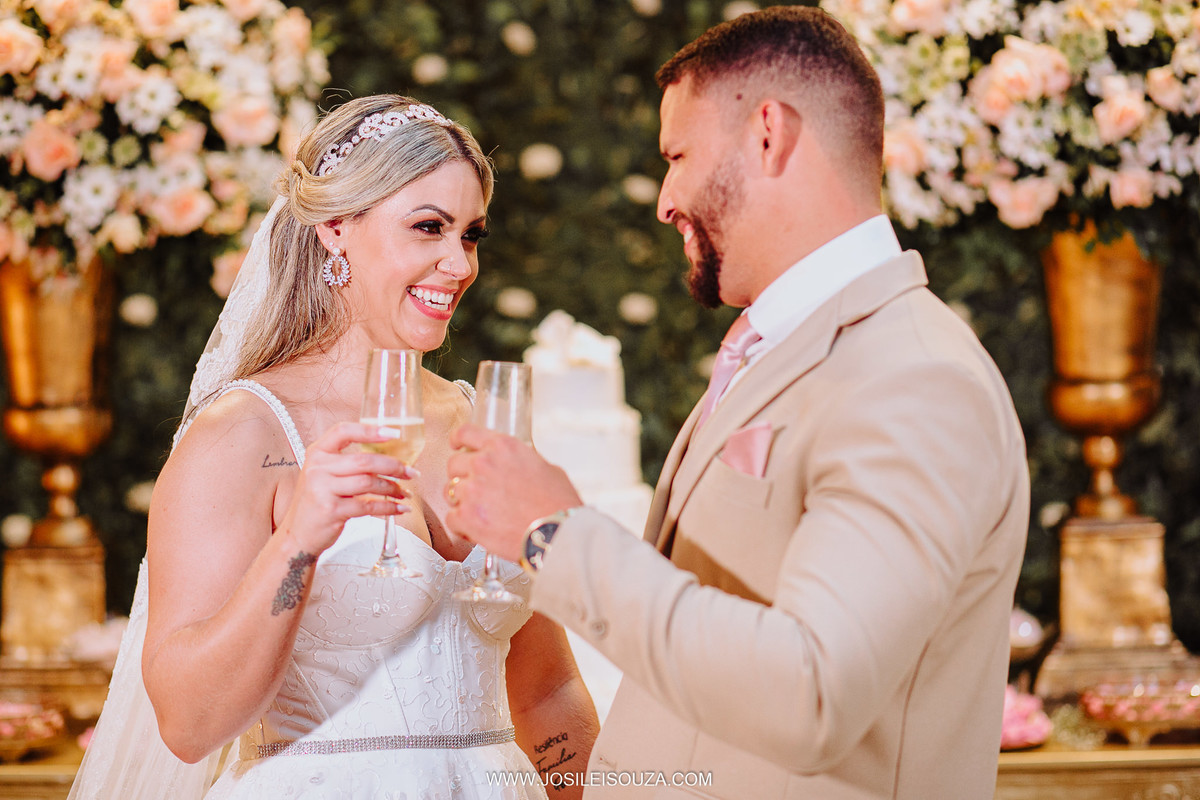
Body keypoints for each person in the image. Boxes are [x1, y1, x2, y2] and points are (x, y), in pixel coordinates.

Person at [444, 8, 1029, 799]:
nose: (665, 199)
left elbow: (812, 694)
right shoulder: (784, 350)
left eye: (678, 155)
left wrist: (553, 535)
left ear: (767, 134)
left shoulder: (916, 378)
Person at [68, 95, 598, 800]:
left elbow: (548, 690)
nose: (458, 264)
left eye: (471, 235)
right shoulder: (243, 433)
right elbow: (190, 725)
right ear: (337, 229)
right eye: (428, 228)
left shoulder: (481, 420)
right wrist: (298, 542)